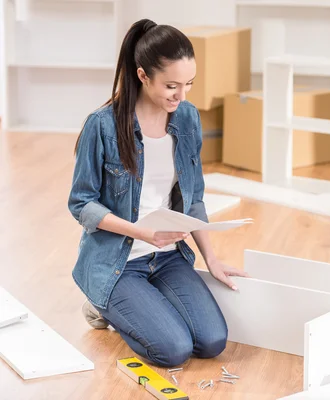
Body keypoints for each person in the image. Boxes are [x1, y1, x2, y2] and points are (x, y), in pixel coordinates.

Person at [68, 19, 247, 367]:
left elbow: (193, 198)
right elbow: (81, 204)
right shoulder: (102, 125)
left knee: (212, 341)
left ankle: (139, 306)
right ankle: (103, 302)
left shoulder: (188, 118)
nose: (182, 96)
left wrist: (212, 259)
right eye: (171, 86)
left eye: (189, 84)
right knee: (173, 350)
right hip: (117, 262)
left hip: (167, 256)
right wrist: (142, 232)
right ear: (142, 75)